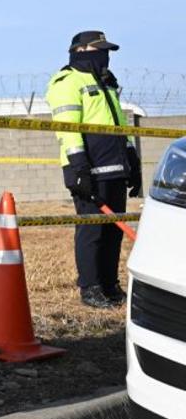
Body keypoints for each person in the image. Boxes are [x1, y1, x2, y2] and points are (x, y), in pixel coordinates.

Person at [44, 30, 141, 309]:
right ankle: (91, 288)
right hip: (89, 170)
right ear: (81, 50)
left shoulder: (106, 82)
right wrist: (78, 168)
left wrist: (131, 160)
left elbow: (119, 124)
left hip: (114, 168)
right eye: (100, 49)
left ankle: (110, 286)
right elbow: (68, 129)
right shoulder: (67, 82)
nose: (105, 55)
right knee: (92, 232)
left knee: (113, 231)